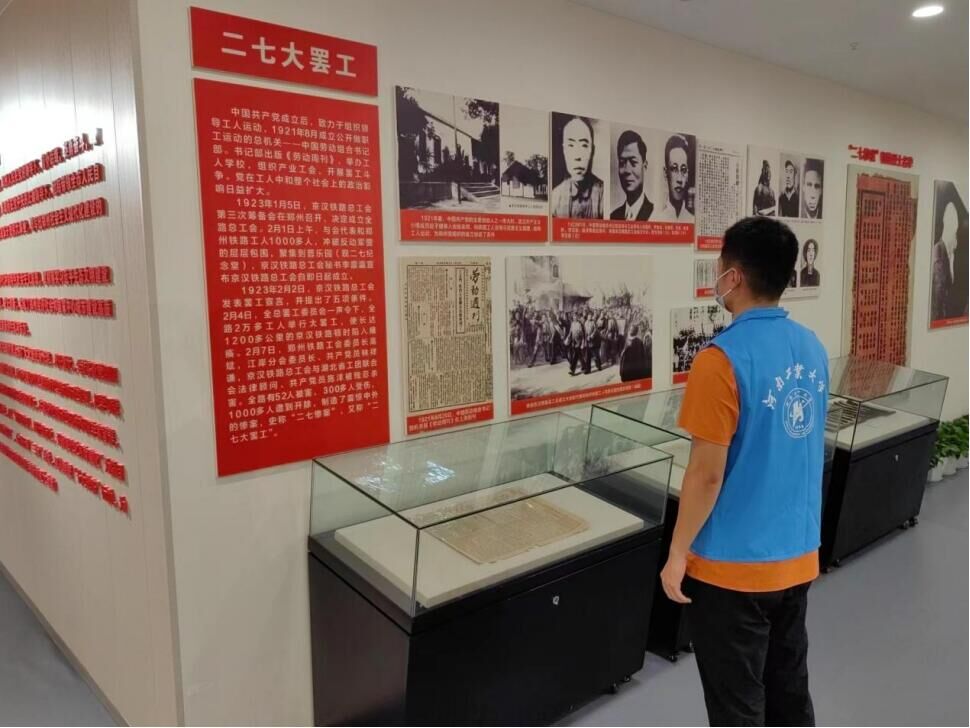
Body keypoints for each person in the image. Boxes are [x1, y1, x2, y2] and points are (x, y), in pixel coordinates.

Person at [659, 216, 828, 727]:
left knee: (737, 705)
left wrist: (676, 554)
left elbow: (706, 475)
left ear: (732, 276)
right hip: (796, 556)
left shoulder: (719, 361)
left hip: (733, 568)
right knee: (789, 693)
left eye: (719, 267)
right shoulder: (812, 347)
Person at [551, 116, 604, 219]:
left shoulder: (603, 194)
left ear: (592, 151)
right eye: (571, 145)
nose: (577, 156)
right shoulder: (556, 196)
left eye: (584, 145)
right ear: (564, 150)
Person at [932, 195, 969, 320]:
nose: (956, 237)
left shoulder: (950, 253)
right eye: (954, 232)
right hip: (940, 315)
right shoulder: (939, 252)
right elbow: (938, 297)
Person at [611, 130, 654, 221]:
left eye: (633, 162)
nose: (627, 170)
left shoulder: (655, 213)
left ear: (645, 166)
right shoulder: (613, 216)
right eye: (622, 163)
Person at [659, 135, 694, 222]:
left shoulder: (692, 220)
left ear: (687, 175)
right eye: (674, 169)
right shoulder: (657, 218)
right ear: (666, 173)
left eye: (683, 170)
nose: (679, 179)